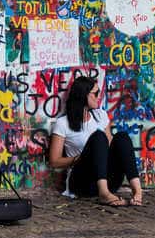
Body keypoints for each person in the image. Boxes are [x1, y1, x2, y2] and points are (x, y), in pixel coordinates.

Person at [48, 76, 143, 207]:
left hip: (109, 179)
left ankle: (137, 190)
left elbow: (110, 146)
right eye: (96, 93)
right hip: (83, 182)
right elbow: (54, 161)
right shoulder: (63, 123)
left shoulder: (101, 115)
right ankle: (104, 193)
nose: (99, 97)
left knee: (122, 137)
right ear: (83, 95)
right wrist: (80, 158)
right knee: (98, 137)